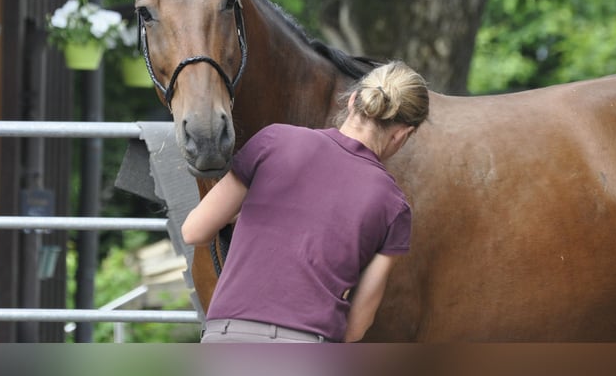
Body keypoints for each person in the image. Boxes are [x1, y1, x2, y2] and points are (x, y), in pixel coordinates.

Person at [181, 60, 430, 343]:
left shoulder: (274, 140)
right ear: (403, 134)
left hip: (227, 337)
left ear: (351, 102)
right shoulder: (394, 206)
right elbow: (357, 327)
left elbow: (194, 231)